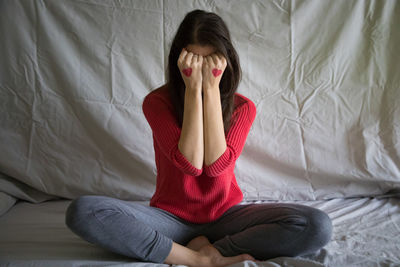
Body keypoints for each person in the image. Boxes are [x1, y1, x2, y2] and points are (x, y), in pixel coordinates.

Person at [65, 9, 332, 267]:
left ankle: (213, 251)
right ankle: (195, 258)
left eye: (211, 61)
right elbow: (190, 164)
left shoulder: (242, 108)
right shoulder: (157, 102)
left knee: (317, 226)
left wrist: (212, 90)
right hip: (169, 218)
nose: (203, 69)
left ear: (226, 61)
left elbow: (216, 166)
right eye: (194, 60)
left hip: (226, 216)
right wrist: (194, 90)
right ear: (179, 61)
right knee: (84, 211)